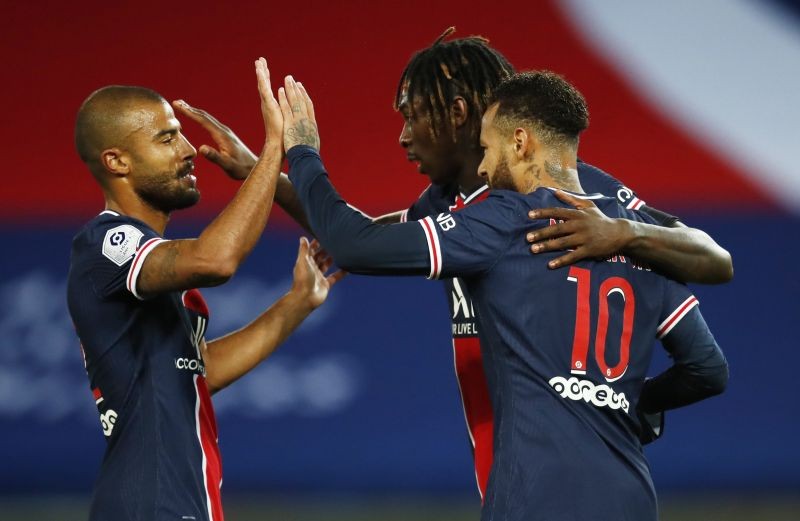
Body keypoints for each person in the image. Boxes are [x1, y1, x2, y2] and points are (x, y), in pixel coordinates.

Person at [173, 28, 732, 499]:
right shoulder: (450, 206)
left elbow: (714, 258)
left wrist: (624, 233)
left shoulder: (576, 205)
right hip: (593, 485)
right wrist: (262, 175)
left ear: (458, 113)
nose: (402, 135)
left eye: (411, 115)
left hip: (534, 483)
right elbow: (366, 238)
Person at [67, 59, 343, 521]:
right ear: (117, 161)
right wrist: (274, 147)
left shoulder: (149, 263)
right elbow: (215, 260)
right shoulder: (105, 243)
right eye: (167, 137)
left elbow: (197, 371)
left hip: (182, 503)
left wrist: (296, 304)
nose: (190, 149)